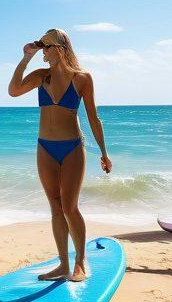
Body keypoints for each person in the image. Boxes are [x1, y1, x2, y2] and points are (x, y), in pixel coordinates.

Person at [8, 29, 111, 281]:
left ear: (60, 48)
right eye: (41, 46)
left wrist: (104, 153)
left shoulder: (82, 78)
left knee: (70, 207)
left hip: (73, 148)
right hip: (45, 148)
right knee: (55, 207)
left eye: (47, 46)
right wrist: (25, 58)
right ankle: (63, 264)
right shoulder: (41, 77)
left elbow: (93, 118)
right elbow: (13, 90)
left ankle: (80, 261)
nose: (43, 50)